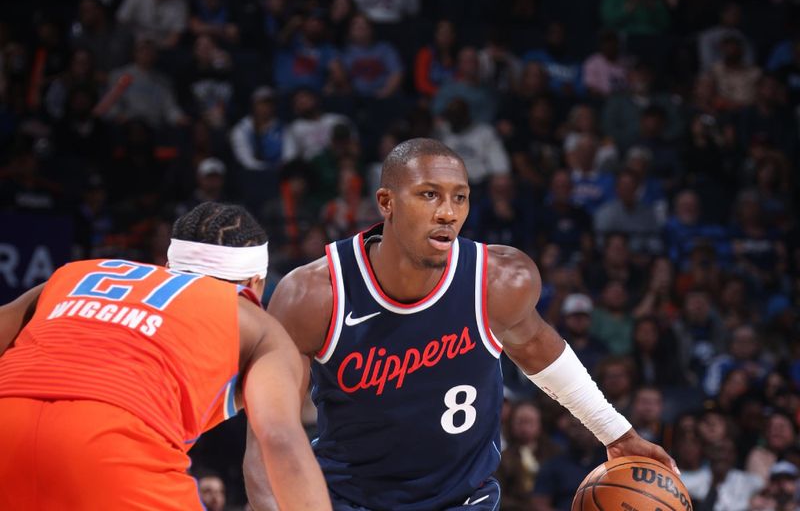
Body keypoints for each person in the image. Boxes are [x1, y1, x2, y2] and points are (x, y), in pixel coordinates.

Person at [244, 138, 676, 510]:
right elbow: (268, 439)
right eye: (429, 195)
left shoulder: (498, 281)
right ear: (386, 202)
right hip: (348, 497)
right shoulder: (314, 295)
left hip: (462, 499)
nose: (448, 212)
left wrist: (616, 432)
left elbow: (542, 353)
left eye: (460, 197)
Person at [0, 202, 331, 511]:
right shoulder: (256, 323)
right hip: (111, 445)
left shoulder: (80, 273)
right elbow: (280, 441)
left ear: (169, 265)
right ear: (255, 283)